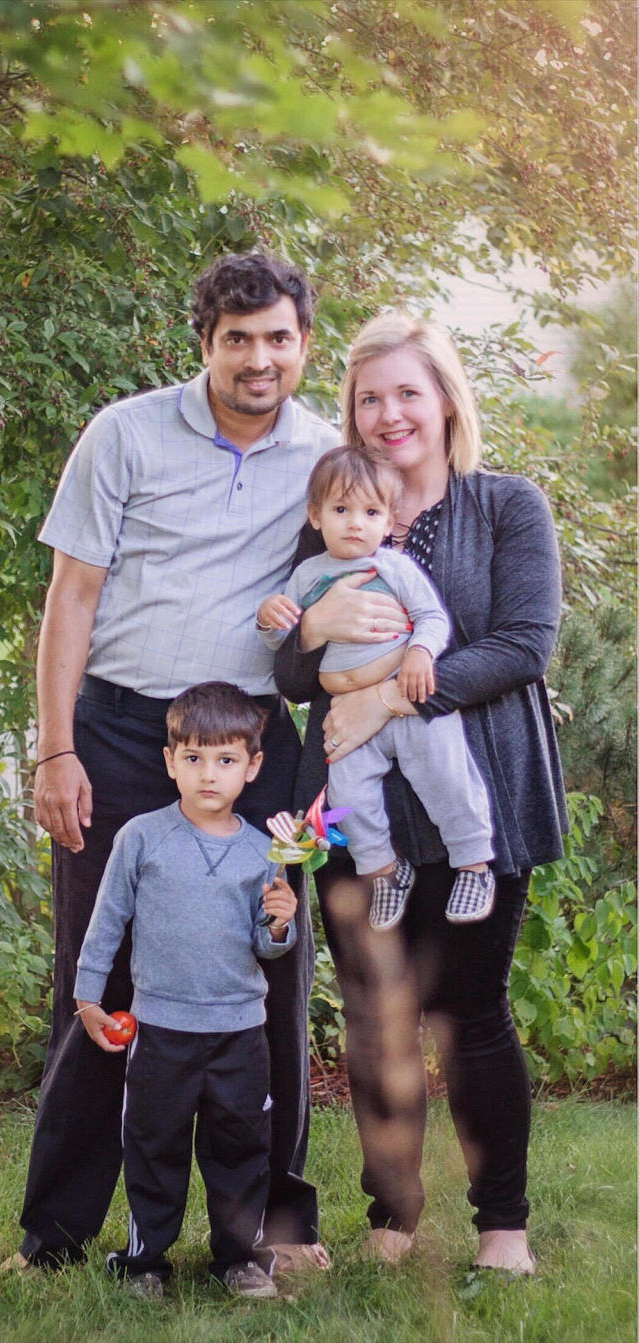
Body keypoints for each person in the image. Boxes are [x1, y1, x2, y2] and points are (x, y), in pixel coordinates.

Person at [7, 251, 339, 1275]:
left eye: (277, 337)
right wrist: (56, 745)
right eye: (236, 338)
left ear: (303, 344)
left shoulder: (324, 452)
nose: (258, 357)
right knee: (95, 974)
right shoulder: (125, 433)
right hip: (117, 731)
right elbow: (71, 595)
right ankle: (55, 1234)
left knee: (273, 968)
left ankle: (275, 1230)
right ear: (202, 342)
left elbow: (368, 567)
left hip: (254, 745)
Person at [273, 310, 566, 1275]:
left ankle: (502, 1230)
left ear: (445, 400)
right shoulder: (331, 518)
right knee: (376, 1017)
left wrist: (393, 690)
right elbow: (287, 664)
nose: (390, 413)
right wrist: (321, 651)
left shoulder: (507, 507)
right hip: (364, 815)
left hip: (483, 789)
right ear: (350, 416)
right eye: (369, 398)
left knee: (470, 1012)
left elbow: (523, 645)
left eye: (408, 391)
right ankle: (393, 1219)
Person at [74, 682, 299, 1299]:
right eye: (193, 758)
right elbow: (106, 921)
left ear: (252, 767)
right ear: (170, 760)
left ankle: (239, 1260)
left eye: (226, 760)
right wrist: (88, 997)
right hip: (162, 1031)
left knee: (241, 1149)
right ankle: (145, 1261)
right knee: (154, 1147)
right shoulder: (142, 838)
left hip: (238, 1033)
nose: (208, 774)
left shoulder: (265, 852)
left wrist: (281, 919)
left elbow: (266, 945)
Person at [257, 444, 496, 930]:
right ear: (316, 515)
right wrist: (269, 619)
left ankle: (473, 864)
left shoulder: (393, 567)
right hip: (347, 714)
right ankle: (385, 870)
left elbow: (432, 618)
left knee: (444, 774)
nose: (355, 523)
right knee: (348, 792)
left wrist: (420, 652)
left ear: (389, 521)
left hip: (406, 701)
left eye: (370, 512)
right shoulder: (307, 574)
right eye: (341, 510)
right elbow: (285, 638)